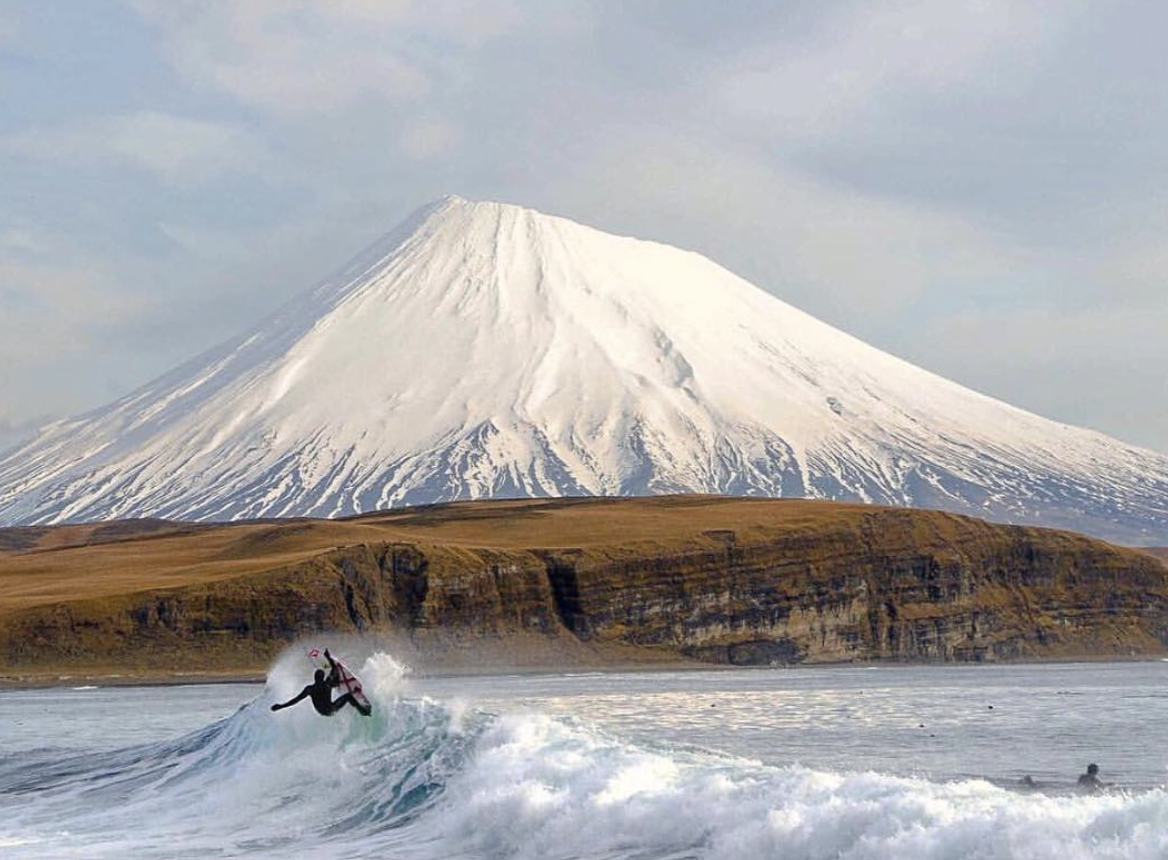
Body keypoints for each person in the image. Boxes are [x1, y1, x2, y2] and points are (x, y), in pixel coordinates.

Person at [270, 649, 371, 717]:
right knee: (348, 696)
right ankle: (363, 712)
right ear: (322, 678)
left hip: (321, 712)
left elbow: (295, 700)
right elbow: (335, 669)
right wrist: (328, 658)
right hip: (331, 709)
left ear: (315, 678)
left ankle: (339, 684)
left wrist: (281, 706)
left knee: (335, 682)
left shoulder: (309, 689)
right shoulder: (327, 685)